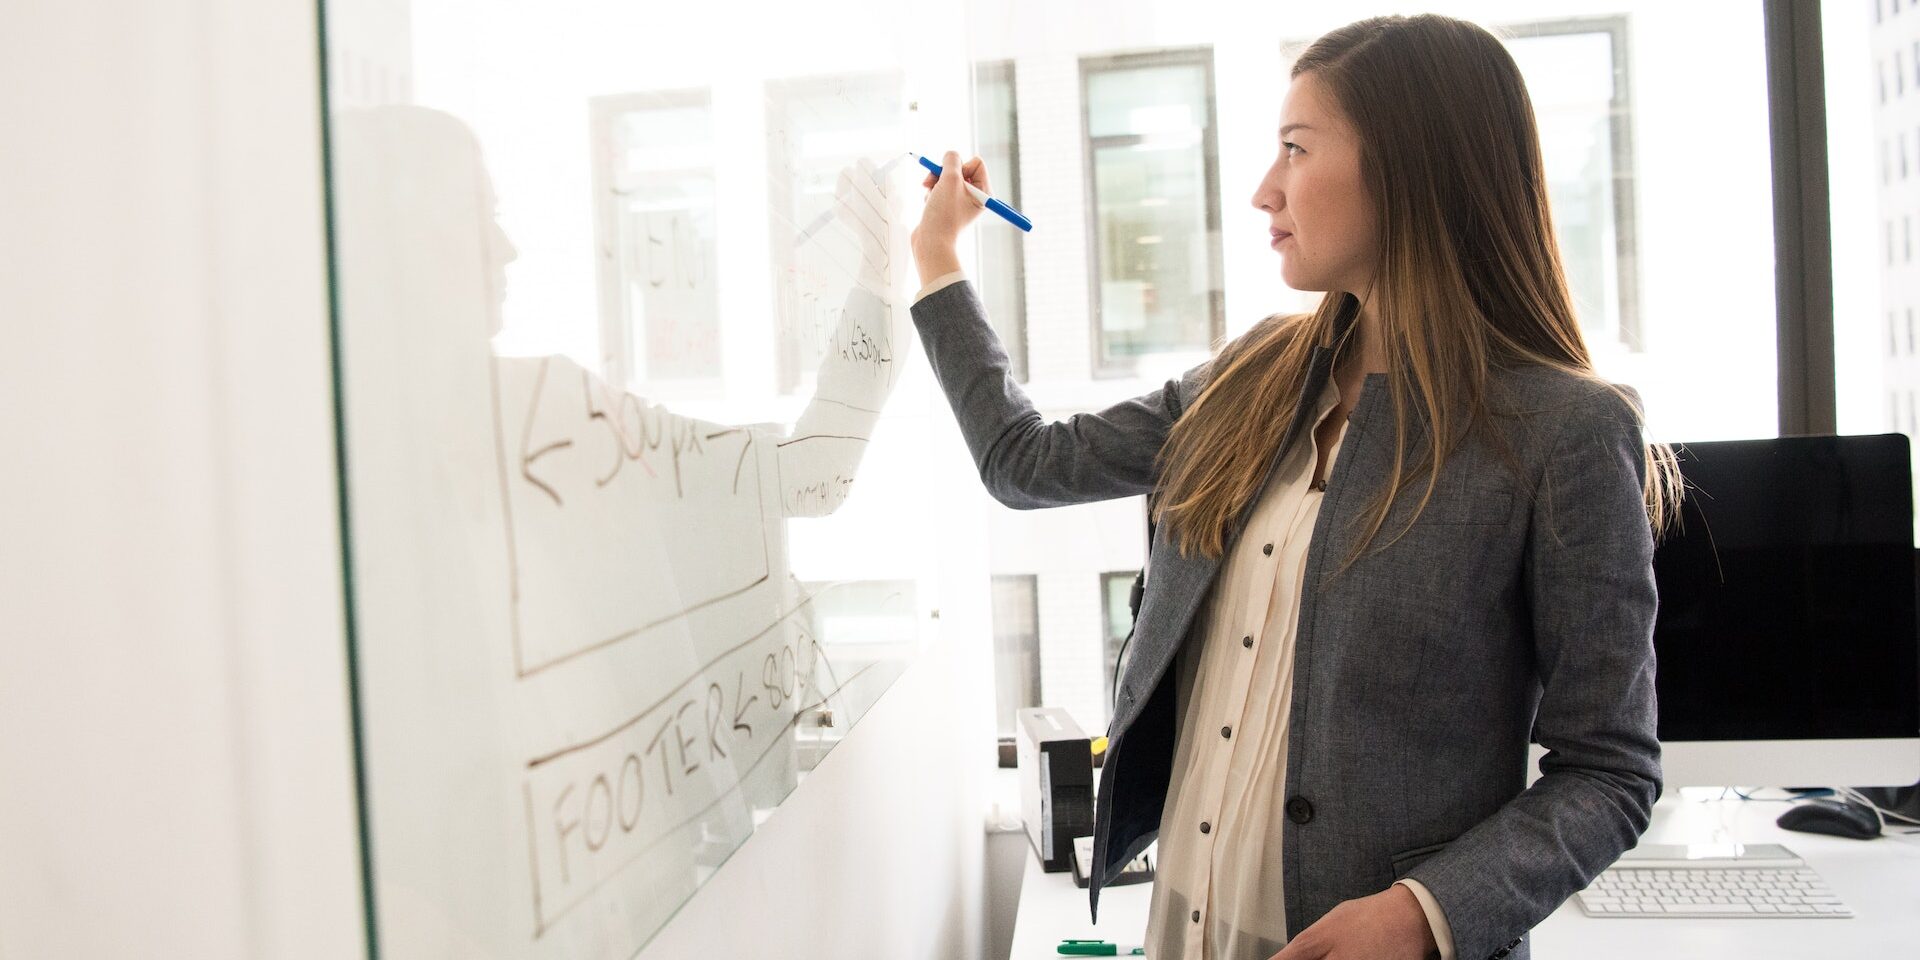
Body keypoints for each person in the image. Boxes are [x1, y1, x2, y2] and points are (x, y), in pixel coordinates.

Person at [908, 14, 1680, 960]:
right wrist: (939, 260)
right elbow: (1023, 463)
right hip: (1182, 931)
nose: (1262, 189)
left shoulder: (1563, 432)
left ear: (1409, 168)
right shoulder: (1252, 378)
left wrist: (1422, 913)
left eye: (1295, 149)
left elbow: (1608, 771)